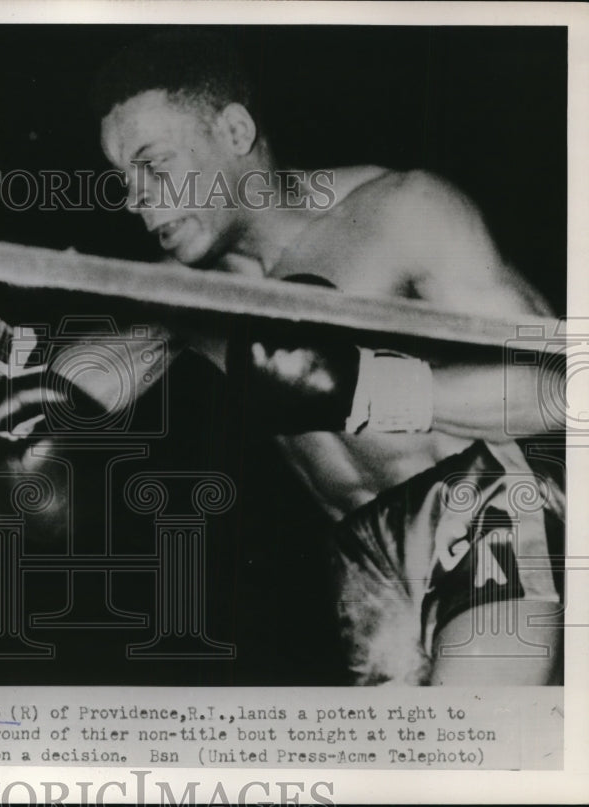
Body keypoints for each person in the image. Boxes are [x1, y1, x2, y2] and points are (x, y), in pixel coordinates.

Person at [92, 31, 565, 685]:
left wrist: (372, 387)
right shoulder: (189, 294)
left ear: (233, 130)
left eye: (155, 163)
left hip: (484, 505)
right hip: (361, 563)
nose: (135, 197)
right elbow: (56, 394)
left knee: (467, 756)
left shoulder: (401, 212)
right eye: (122, 178)